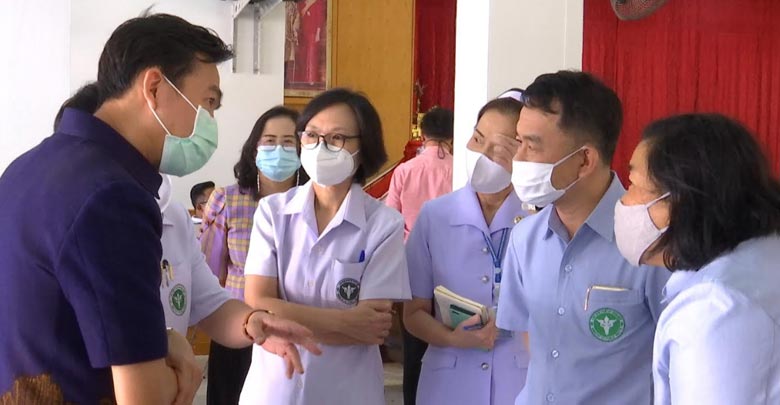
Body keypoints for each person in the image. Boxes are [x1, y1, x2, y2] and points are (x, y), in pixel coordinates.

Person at [0, 13, 231, 404]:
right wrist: (182, 363)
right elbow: (144, 398)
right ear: (154, 87)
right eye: (208, 102)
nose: (210, 121)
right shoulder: (113, 196)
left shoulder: (26, 167)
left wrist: (162, 340)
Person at [496, 70, 671, 404]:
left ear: (584, 160)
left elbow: (676, 355)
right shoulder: (524, 238)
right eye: (519, 142)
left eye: (532, 146)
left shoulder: (651, 245)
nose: (517, 158)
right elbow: (529, 334)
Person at [240, 88, 411, 405]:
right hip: (274, 388)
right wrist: (346, 323)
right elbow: (257, 298)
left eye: (337, 138)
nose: (320, 147)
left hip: (347, 390)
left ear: (363, 147)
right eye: (311, 135)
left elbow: (372, 326)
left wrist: (280, 318)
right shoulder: (273, 212)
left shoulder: (384, 224)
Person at [615, 113, 780, 404]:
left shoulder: (713, 312)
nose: (624, 201)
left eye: (633, 184)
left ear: (681, 201)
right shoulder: (761, 254)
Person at [404, 94, 530, 405]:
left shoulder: (536, 221)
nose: (482, 154)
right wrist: (451, 337)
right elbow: (413, 314)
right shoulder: (435, 216)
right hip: (448, 383)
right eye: (477, 139)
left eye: (499, 149)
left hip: (518, 382)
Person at [200, 105, 307, 405]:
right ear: (254, 148)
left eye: (288, 142)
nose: (279, 150)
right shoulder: (228, 199)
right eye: (269, 141)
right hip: (240, 329)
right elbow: (210, 271)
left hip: (296, 326)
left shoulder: (314, 202)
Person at [386, 106, 454, 241]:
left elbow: (390, 218)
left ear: (423, 136)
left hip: (410, 246)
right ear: (452, 136)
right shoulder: (459, 170)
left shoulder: (404, 170)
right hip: (449, 246)